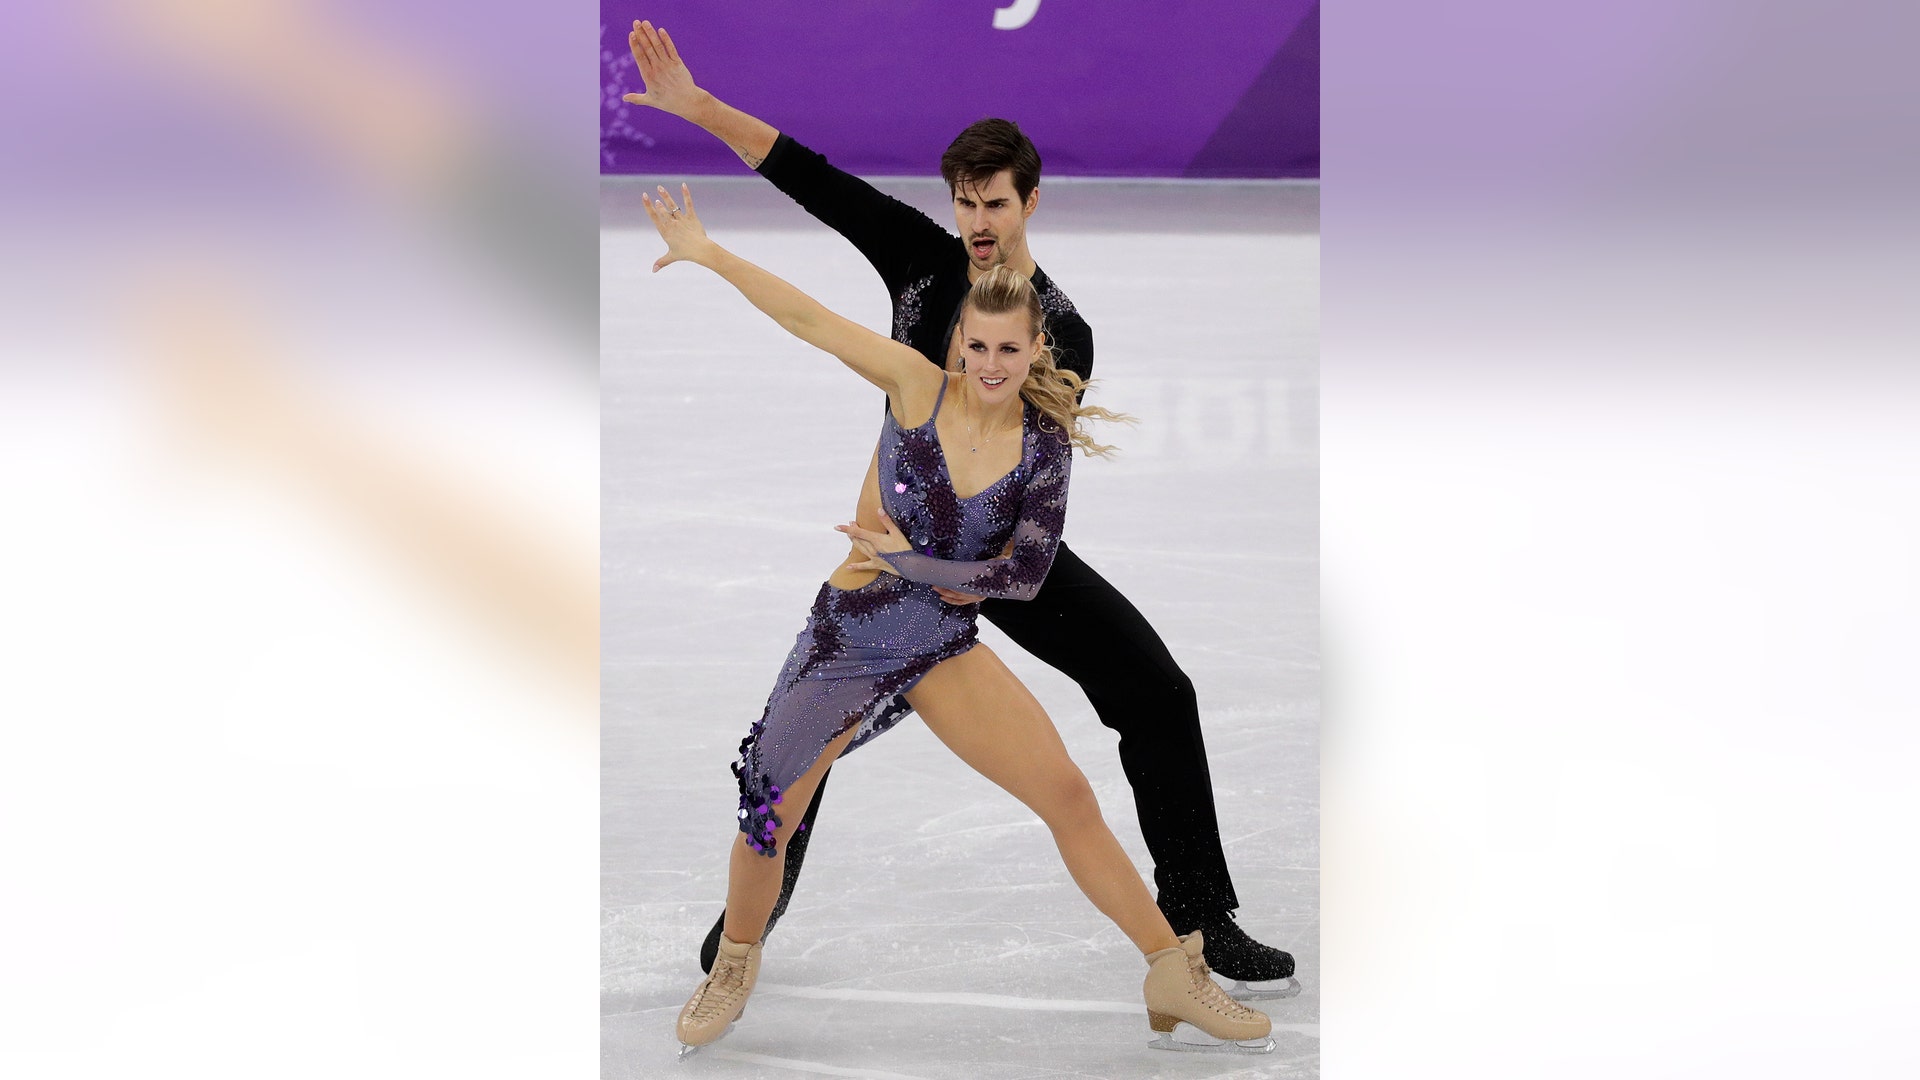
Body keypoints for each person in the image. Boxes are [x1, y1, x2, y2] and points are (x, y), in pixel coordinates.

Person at [622, 18, 1299, 997]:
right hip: (892, 546)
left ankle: (1201, 917)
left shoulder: (1061, 330)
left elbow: (1024, 481)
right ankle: (749, 922)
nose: (980, 219)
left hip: (995, 553)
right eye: (966, 202)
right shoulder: (923, 259)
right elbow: (809, 176)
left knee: (1157, 691)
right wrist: (697, 108)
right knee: (814, 725)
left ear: (1030, 203)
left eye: (996, 203)